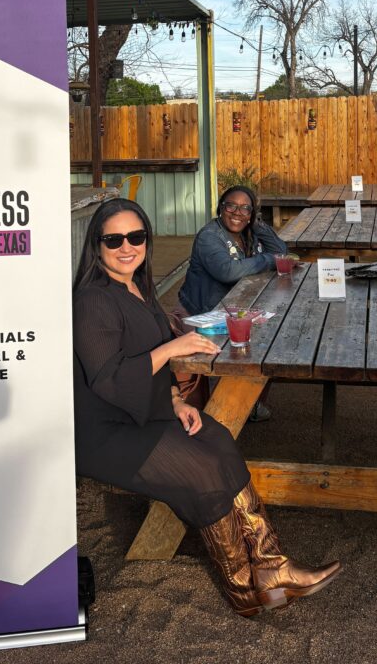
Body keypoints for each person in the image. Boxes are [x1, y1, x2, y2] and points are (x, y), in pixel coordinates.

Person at [72, 197, 340, 616]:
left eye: (136, 236)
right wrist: (174, 347)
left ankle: (270, 567)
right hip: (105, 430)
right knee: (200, 468)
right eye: (114, 239)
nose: (127, 247)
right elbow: (108, 378)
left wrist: (177, 399)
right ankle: (242, 589)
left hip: (142, 411)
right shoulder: (92, 299)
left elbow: (144, 360)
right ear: (97, 245)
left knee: (216, 439)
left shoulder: (137, 285)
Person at [176, 186, 288, 420]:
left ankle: (250, 403)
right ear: (220, 208)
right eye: (231, 206)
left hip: (236, 311)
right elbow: (228, 271)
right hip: (203, 313)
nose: (237, 212)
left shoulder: (250, 230)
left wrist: (254, 222)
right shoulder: (209, 236)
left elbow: (281, 250)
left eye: (245, 208)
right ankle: (221, 411)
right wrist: (267, 259)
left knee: (269, 341)